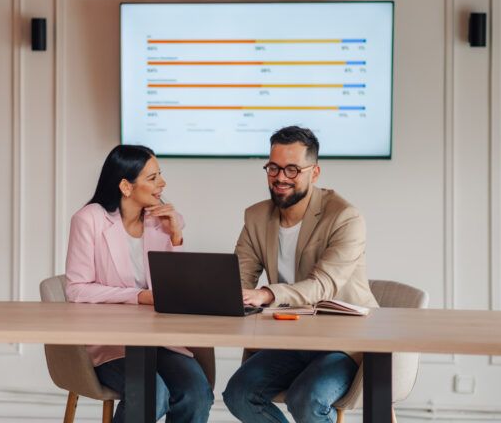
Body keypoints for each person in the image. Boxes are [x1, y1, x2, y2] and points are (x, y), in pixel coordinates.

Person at [223, 126, 379, 423]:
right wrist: (223, 294)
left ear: (314, 173)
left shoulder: (345, 217)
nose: (280, 177)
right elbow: (239, 279)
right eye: (273, 168)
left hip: (344, 342)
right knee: (239, 394)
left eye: (292, 169)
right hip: (291, 340)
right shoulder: (256, 217)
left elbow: (323, 285)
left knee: (306, 399)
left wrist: (267, 293)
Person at [65, 144, 213, 423]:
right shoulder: (89, 220)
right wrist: (139, 296)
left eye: (160, 174)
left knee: (197, 395)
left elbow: (174, 289)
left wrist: (175, 237)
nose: (162, 183)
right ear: (125, 186)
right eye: (153, 177)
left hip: (160, 340)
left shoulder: (164, 220)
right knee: (151, 394)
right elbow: (76, 288)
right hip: (112, 343)